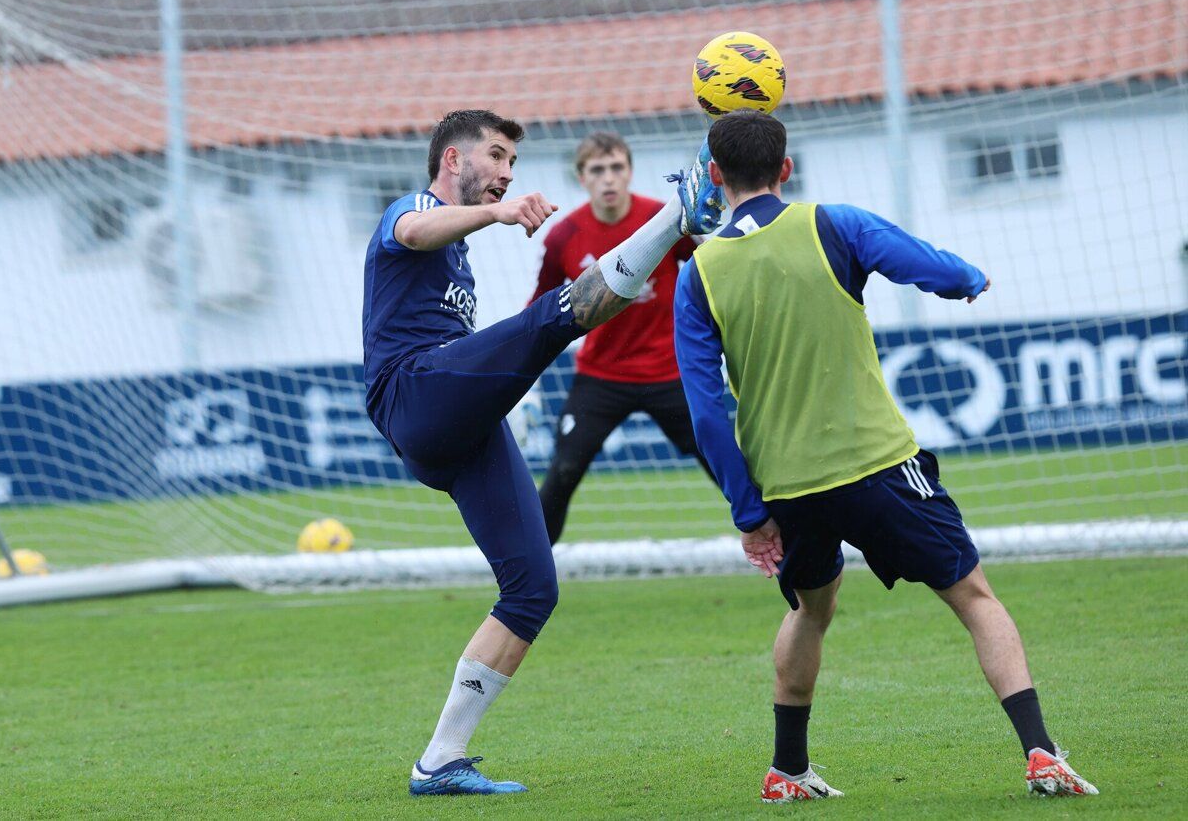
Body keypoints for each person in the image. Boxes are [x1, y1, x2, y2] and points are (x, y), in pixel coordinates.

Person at [672, 110, 1098, 803]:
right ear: (786, 169)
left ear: (714, 176)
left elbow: (704, 411)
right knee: (974, 597)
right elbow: (932, 268)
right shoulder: (833, 224)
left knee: (812, 609)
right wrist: (968, 278)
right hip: (877, 466)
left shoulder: (700, 274)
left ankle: (787, 771)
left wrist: (750, 512)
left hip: (789, 485)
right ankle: (1041, 754)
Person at [363, 109, 722, 796]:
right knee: (551, 319)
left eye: (512, 164)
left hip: (459, 428)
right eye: (496, 156)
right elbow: (412, 229)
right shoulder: (414, 208)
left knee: (532, 590)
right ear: (451, 161)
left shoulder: (459, 249)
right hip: (413, 394)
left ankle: (440, 759)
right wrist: (496, 217)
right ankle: (682, 210)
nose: (506, 173)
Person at [529, 131, 714, 544]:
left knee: (726, 465)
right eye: (598, 170)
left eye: (616, 168)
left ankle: (788, 553)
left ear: (629, 171)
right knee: (562, 471)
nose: (608, 178)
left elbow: (710, 277)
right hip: (601, 376)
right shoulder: (564, 236)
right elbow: (538, 310)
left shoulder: (666, 219)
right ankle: (529, 577)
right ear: (582, 177)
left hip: (670, 372)